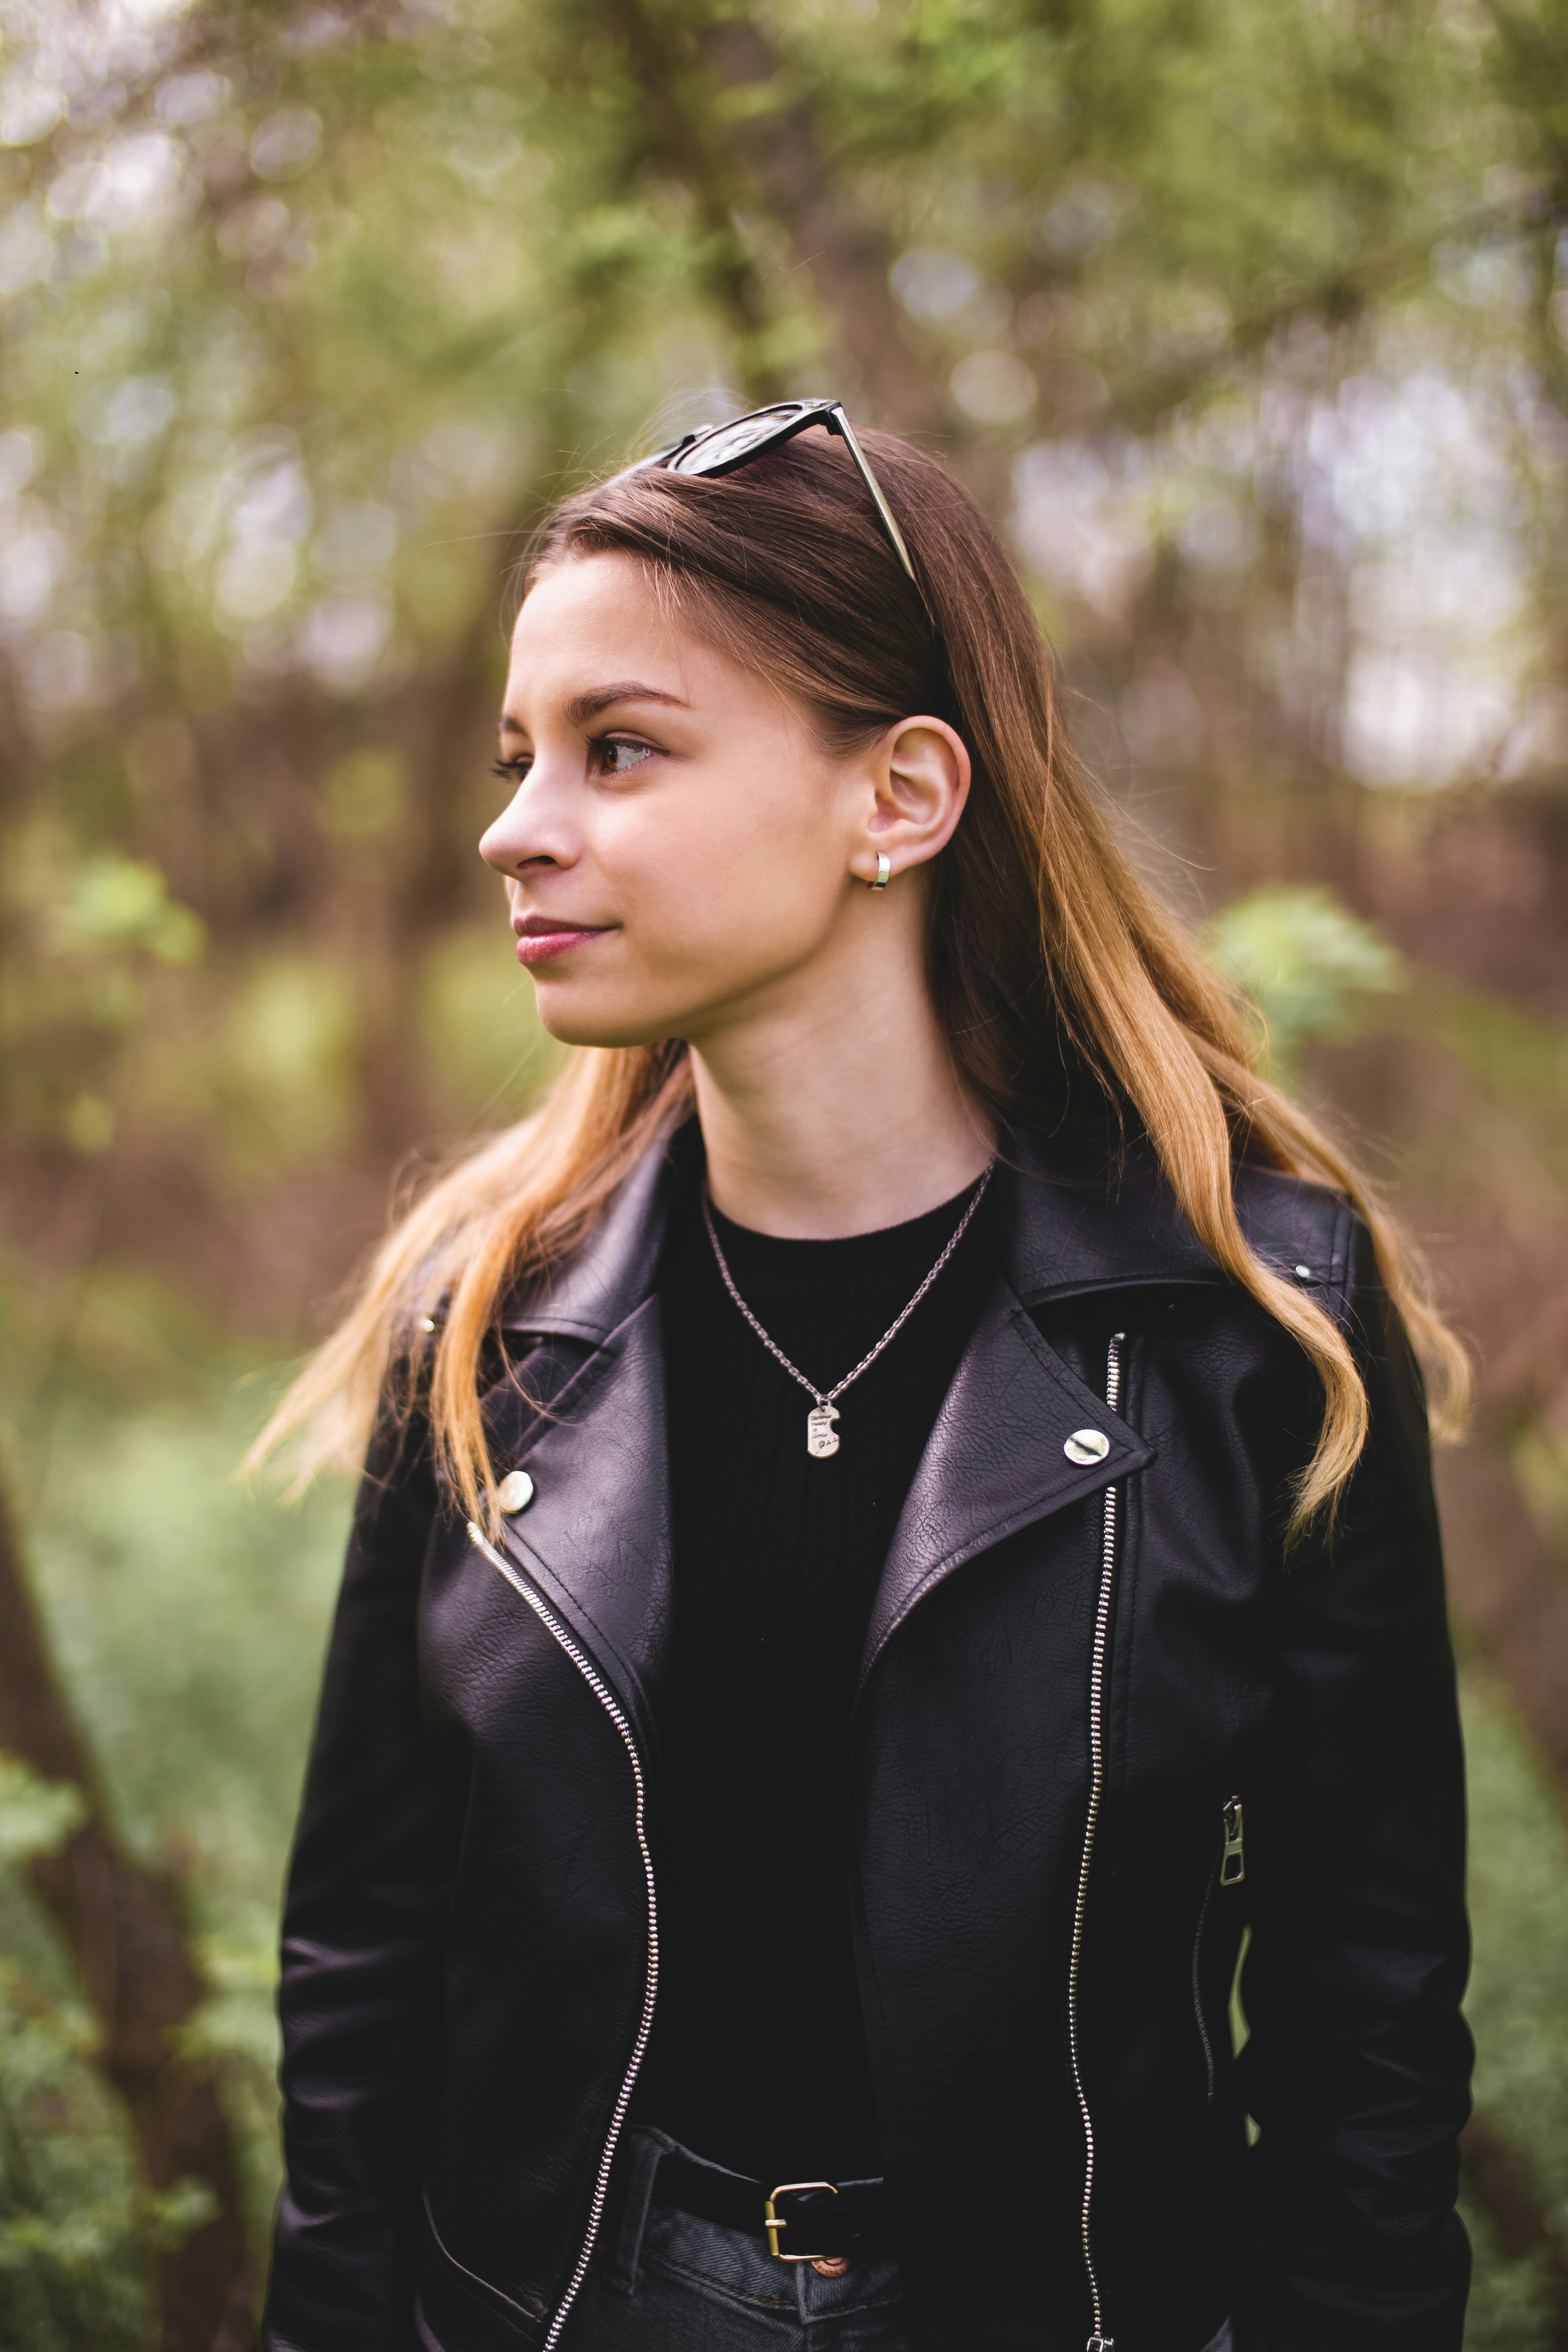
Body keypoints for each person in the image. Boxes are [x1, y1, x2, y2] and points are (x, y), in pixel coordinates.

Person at [254, 402, 1473, 2352]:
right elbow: (364, 1973)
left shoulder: (1254, 1325)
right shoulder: (485, 1321)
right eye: (520, 757)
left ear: (899, 797)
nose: (514, 825)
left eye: (620, 748)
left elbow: (1369, 2023)